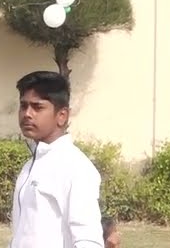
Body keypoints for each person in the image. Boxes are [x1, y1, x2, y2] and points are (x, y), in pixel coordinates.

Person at [8, 71, 103, 248]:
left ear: (62, 116)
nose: (27, 114)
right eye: (23, 106)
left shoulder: (76, 167)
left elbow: (88, 238)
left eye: (37, 107)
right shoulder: (30, 166)